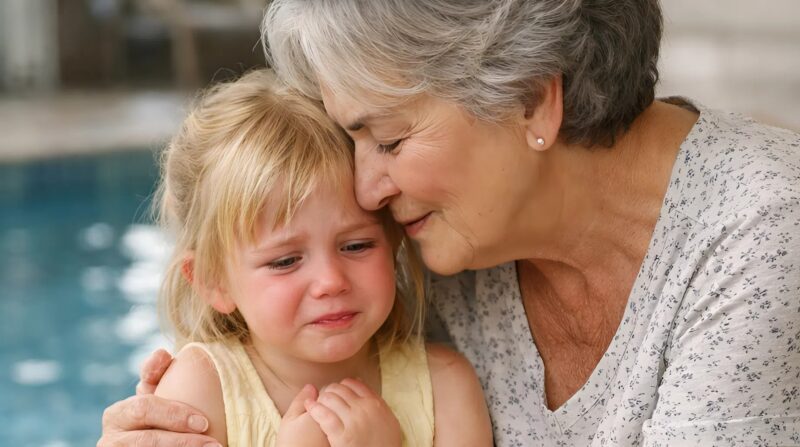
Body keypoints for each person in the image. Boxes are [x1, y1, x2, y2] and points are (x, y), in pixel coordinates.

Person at [99, 1, 800, 445]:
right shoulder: (444, 241)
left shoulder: (763, 233)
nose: (366, 192)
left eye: (389, 139)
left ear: (531, 100)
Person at [115, 69, 492, 447]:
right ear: (214, 281)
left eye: (357, 246)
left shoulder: (446, 387)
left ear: (394, 244)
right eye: (285, 261)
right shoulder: (201, 391)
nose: (331, 281)